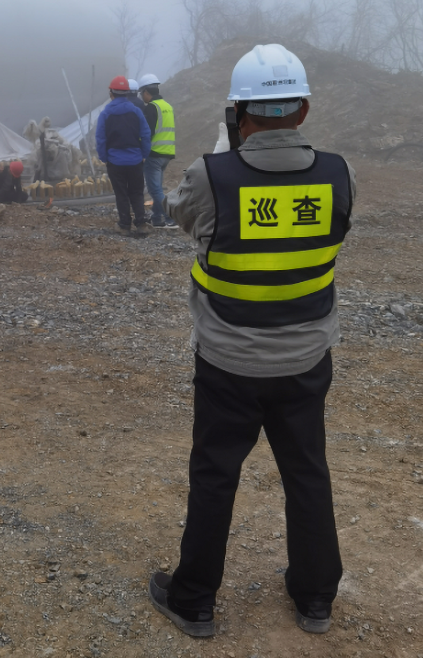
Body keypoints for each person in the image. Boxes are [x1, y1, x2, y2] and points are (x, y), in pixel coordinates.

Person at [148, 44, 355, 638]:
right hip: (306, 358)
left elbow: (181, 216)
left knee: (215, 475)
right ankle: (315, 598)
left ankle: (194, 601)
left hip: (228, 362)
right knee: (307, 473)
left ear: (237, 114)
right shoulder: (339, 173)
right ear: (304, 108)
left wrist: (220, 162)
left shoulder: (211, 176)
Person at [95, 75, 152, 234]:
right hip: (135, 160)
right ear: (127, 93)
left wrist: (104, 158)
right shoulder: (136, 112)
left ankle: (125, 225)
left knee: (121, 194)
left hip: (115, 162)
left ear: (111, 94)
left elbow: (100, 138)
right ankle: (141, 224)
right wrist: (143, 154)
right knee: (137, 192)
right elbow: (146, 135)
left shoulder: (105, 114)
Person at [137, 73, 177, 228]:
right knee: (157, 188)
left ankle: (170, 219)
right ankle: (156, 218)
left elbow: (147, 133)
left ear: (147, 92)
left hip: (154, 153)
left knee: (155, 190)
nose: (142, 97)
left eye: (142, 94)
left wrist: (140, 147)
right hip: (167, 153)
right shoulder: (168, 106)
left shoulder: (152, 108)